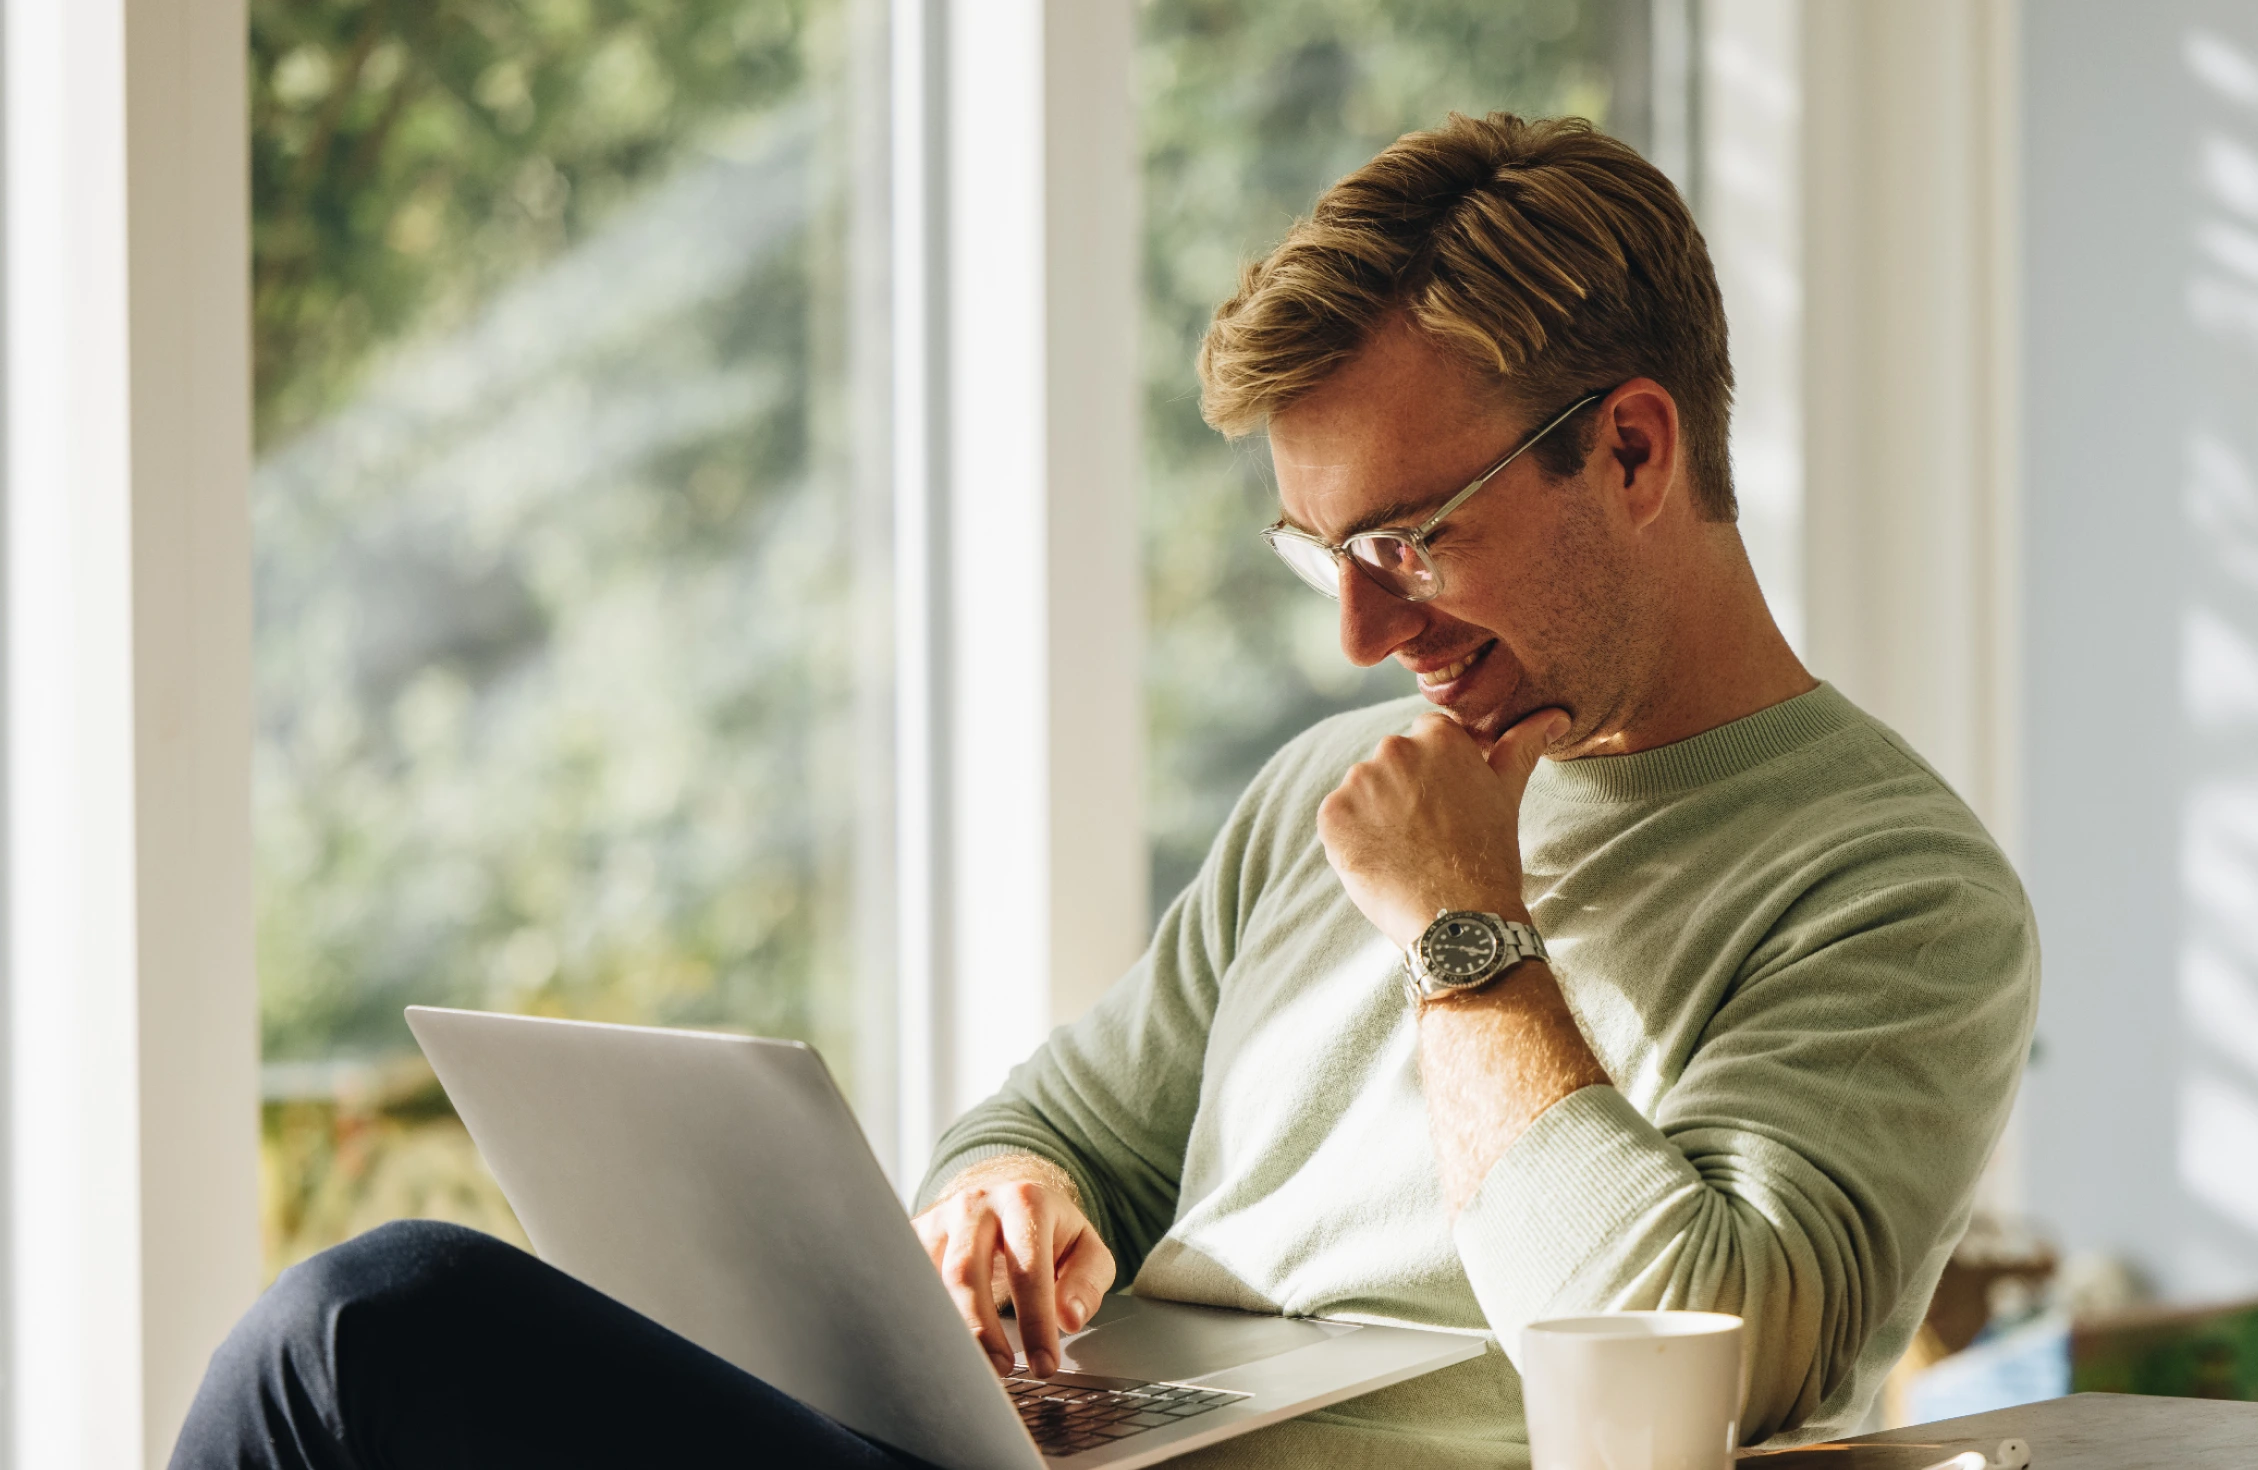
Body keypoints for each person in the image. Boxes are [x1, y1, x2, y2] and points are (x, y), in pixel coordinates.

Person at [171, 113, 2038, 1470]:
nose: (1360, 633)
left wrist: (1468, 940)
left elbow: (1680, 1356)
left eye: (1406, 536)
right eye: (1320, 553)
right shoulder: (1338, 786)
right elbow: (1065, 1115)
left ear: (1631, 445)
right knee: (366, 1347)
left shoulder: (1895, 894)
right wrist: (1004, 1195)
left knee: (373, 1330)